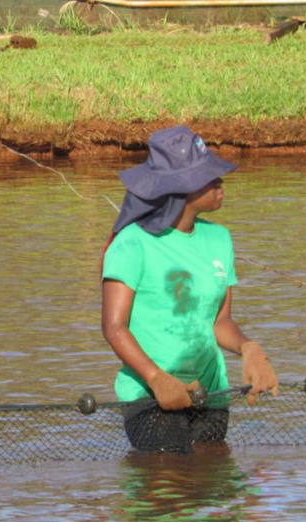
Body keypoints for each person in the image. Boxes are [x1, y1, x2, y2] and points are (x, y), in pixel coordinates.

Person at [100, 125, 279, 454]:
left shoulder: (220, 239)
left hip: (210, 394)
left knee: (212, 477)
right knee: (171, 483)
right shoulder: (132, 245)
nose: (220, 182)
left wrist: (249, 348)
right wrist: (156, 378)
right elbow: (114, 327)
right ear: (181, 188)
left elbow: (219, 322)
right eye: (209, 177)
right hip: (152, 396)